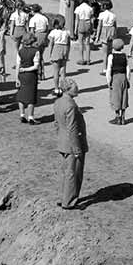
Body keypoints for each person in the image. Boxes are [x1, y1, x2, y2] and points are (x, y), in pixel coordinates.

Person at [54, 78, 88, 210]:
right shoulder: (71, 105)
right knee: (73, 173)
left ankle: (63, 197)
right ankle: (69, 201)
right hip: (72, 144)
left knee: (65, 172)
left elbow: (57, 124)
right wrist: (77, 148)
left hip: (62, 142)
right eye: (75, 86)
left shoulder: (58, 102)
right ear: (68, 88)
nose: (77, 88)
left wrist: (60, 138)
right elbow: (73, 128)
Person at [15, 38, 42, 124]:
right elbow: (36, 66)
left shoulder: (20, 51)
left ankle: (22, 115)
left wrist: (16, 78)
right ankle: (31, 117)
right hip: (31, 75)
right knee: (31, 97)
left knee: (21, 96)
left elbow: (17, 65)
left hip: (21, 75)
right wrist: (26, 69)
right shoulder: (36, 51)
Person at [106, 38, 130, 125]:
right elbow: (128, 68)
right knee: (124, 96)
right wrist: (127, 79)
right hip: (123, 76)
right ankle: (123, 117)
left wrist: (109, 81)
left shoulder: (111, 56)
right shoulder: (125, 56)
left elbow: (109, 69)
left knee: (115, 97)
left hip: (115, 77)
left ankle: (117, 117)